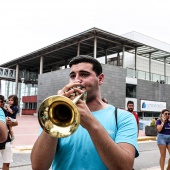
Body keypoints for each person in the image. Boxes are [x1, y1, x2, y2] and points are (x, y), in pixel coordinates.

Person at [31, 55, 139, 170]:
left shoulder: (124, 117)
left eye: (84, 74)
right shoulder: (55, 114)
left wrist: (91, 124)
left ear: (100, 79)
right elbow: (38, 167)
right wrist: (54, 116)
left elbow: (125, 167)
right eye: (73, 76)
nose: (77, 80)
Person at [0, 95, 18, 170]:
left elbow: (16, 123)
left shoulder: (5, 111)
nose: (1, 103)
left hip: (7, 140)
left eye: (2, 101)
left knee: (7, 163)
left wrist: (9, 122)